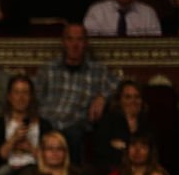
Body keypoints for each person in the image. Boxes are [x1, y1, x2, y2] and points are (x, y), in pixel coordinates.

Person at [33, 23, 118, 162]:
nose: (74, 44)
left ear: (85, 43)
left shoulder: (97, 70)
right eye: (70, 39)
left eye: (79, 39)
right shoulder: (49, 68)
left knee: (74, 135)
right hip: (47, 122)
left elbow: (119, 84)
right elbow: (35, 97)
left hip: (74, 125)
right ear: (63, 42)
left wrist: (102, 98)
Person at [0, 74, 52, 175]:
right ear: (9, 96)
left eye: (25, 93)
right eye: (16, 92)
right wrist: (13, 140)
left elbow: (50, 160)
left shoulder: (44, 125)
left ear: (31, 97)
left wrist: (30, 148)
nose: (21, 98)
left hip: (36, 174)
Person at [94, 80, 154, 171]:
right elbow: (101, 151)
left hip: (144, 171)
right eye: (128, 97)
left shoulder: (148, 122)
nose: (133, 101)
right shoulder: (109, 120)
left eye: (137, 97)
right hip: (114, 170)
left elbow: (152, 152)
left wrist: (123, 146)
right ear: (120, 100)